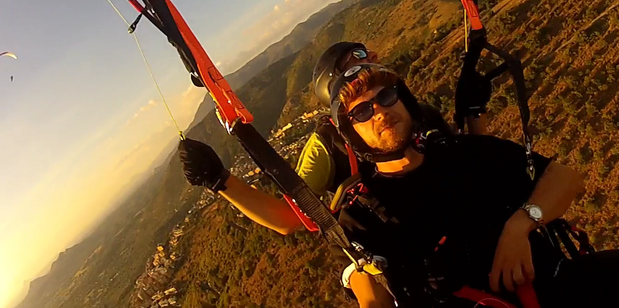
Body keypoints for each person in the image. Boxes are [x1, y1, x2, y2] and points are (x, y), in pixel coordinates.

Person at [328, 63, 619, 308]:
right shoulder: (364, 212)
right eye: (362, 112)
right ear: (353, 134)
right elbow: (373, 291)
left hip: (557, 287)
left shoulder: (462, 153)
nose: (380, 111)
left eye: (386, 97)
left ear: (405, 100)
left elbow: (564, 178)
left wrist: (522, 223)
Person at [179, 41, 471, 307]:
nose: (372, 56)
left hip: (441, 220)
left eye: (366, 53)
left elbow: (468, 161)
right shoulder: (327, 144)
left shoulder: (412, 113)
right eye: (356, 58)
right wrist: (220, 181)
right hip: (374, 246)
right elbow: (292, 217)